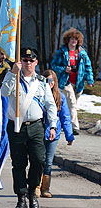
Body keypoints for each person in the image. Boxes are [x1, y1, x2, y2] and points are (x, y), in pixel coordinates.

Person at [1, 47, 57, 208]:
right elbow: (4, 92)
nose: (28, 63)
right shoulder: (12, 77)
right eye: (25, 60)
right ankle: (21, 198)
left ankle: (32, 190)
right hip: (17, 126)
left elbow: (50, 105)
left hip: (36, 126)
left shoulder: (41, 82)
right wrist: (12, 73)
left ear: (36, 62)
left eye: (31, 60)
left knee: (39, 160)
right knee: (19, 164)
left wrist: (52, 125)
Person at [50, 28, 94, 134]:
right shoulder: (61, 52)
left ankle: (63, 123)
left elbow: (88, 67)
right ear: (67, 40)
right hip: (65, 82)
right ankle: (74, 128)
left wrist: (90, 79)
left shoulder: (82, 53)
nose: (74, 41)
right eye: (71, 39)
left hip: (78, 83)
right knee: (72, 104)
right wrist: (64, 69)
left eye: (76, 39)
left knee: (70, 105)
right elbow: (53, 66)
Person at [41, 69, 74, 198]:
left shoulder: (60, 96)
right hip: (38, 131)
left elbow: (65, 117)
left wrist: (69, 135)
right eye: (47, 80)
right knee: (38, 159)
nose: (49, 83)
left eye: (52, 81)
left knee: (48, 161)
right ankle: (35, 186)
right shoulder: (38, 94)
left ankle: (45, 188)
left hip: (53, 134)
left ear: (55, 82)